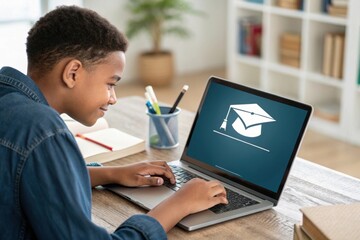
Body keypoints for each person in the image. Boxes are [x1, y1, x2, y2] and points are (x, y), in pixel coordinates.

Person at [0, 5, 228, 240]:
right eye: (110, 84)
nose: (113, 98)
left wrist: (110, 174)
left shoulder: (8, 98)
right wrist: (179, 204)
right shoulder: (43, 131)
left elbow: (24, 174)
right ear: (72, 73)